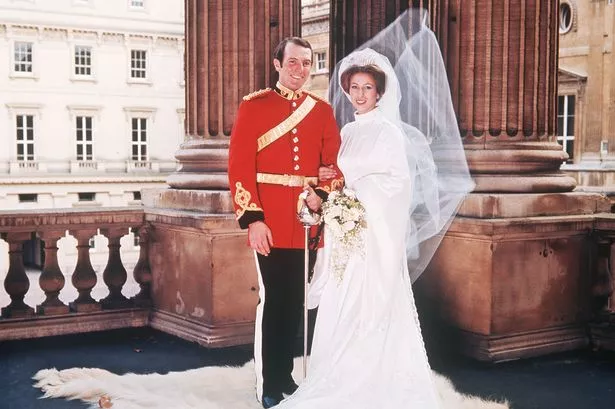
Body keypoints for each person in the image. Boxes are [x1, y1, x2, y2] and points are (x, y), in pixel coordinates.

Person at [274, 10, 474, 409]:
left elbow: (396, 187)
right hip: (344, 238)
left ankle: (370, 384)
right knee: (339, 305)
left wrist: (348, 201)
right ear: (347, 91)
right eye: (354, 87)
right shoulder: (347, 131)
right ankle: (334, 374)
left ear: (380, 93)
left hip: (373, 240)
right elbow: (336, 178)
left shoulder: (389, 133)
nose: (360, 94)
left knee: (368, 309)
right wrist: (323, 197)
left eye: (367, 87)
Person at [227, 37, 343, 409]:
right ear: (277, 65)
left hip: (306, 221)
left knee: (295, 302)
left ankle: (287, 377)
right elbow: (240, 166)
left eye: (307, 63)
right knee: (276, 299)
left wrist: (322, 192)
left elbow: (335, 165)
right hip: (272, 219)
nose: (300, 70)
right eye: (293, 63)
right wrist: (253, 219)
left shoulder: (322, 111)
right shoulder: (254, 106)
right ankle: (271, 382)